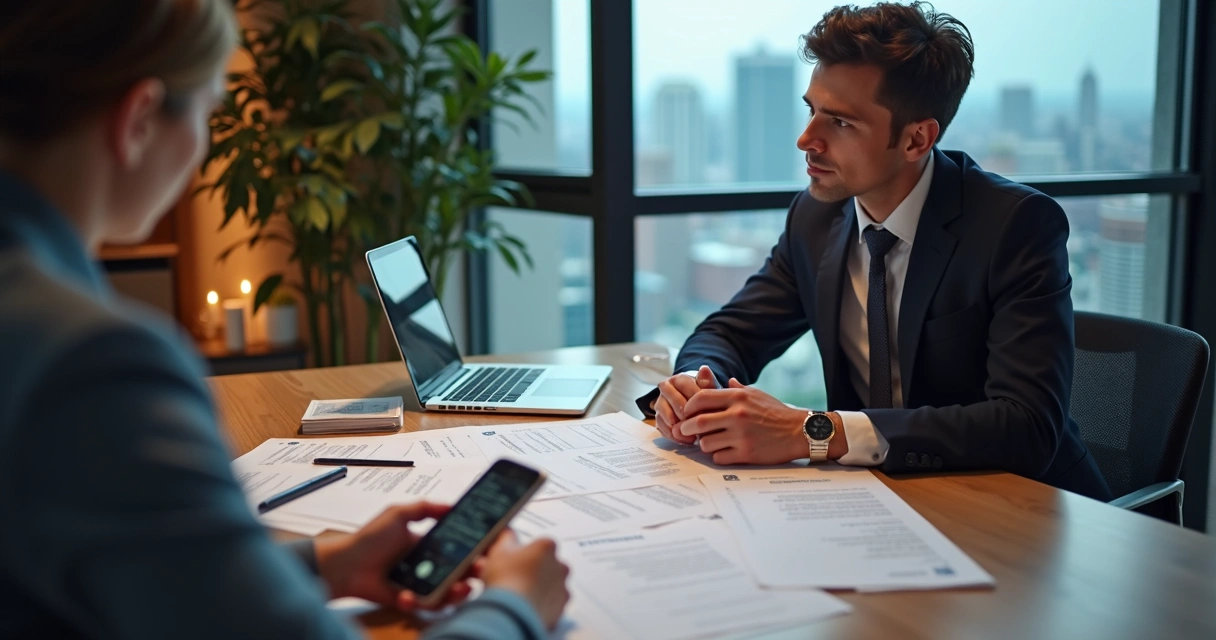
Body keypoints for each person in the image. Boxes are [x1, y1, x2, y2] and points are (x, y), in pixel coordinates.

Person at [0, 2, 568, 638]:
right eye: (210, 114)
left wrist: (323, 563)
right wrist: (514, 607)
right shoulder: (91, 362)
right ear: (136, 121)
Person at [638, 1, 1112, 501]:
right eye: (811, 110)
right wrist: (695, 383)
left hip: (1021, 508)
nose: (807, 139)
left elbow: (1027, 426)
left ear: (915, 139)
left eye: (840, 122)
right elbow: (732, 331)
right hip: (878, 501)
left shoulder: (1013, 226)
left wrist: (811, 431)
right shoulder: (816, 217)